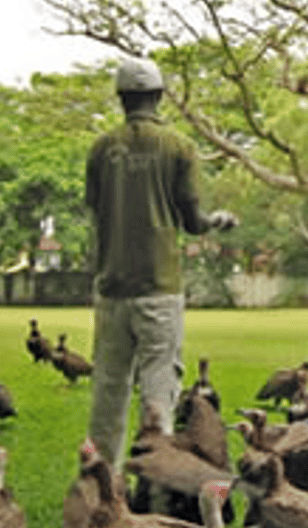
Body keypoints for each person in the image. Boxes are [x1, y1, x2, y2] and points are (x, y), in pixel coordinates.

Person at [85, 54, 237, 468]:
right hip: (159, 289)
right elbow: (191, 220)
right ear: (159, 96)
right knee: (158, 394)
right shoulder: (179, 146)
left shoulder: (101, 149)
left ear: (121, 98)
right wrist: (215, 221)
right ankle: (158, 483)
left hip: (112, 290)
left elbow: (96, 210)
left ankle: (100, 487)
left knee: (108, 394)